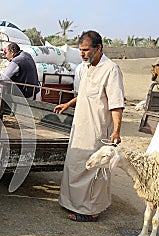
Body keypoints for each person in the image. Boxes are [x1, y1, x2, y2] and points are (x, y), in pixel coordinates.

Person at [53, 30, 125, 222]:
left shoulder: (111, 69)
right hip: (81, 126)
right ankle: (73, 203)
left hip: (97, 129)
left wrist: (116, 131)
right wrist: (69, 104)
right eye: (80, 50)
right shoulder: (86, 67)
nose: (82, 54)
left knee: (94, 168)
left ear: (99, 48)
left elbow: (116, 104)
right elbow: (86, 93)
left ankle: (91, 211)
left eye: (86, 50)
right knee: (75, 165)